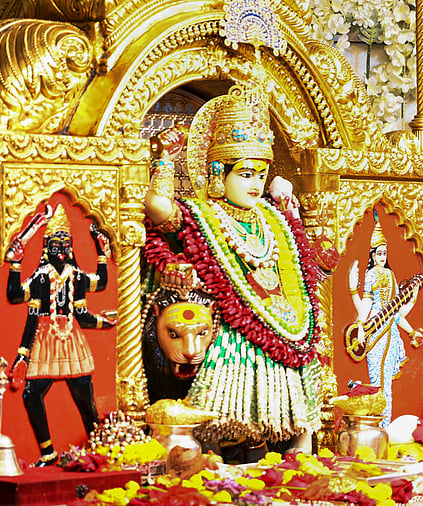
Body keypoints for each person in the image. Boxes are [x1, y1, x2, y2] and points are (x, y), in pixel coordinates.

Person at [143, 84, 323, 454]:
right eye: (244, 174)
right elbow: (157, 207)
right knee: (221, 429)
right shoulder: (203, 215)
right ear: (215, 174)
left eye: (260, 175)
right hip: (233, 331)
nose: (256, 184)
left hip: (287, 327)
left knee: (297, 426)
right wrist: (163, 158)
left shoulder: (273, 218)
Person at [5, 204, 117, 466]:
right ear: (47, 247)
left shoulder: (75, 275)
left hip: (71, 340)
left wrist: (104, 322)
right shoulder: (42, 276)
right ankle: (47, 452)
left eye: (66, 245)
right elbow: (16, 297)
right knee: (31, 394)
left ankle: (96, 448)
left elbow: (94, 293)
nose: (62, 250)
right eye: (56, 245)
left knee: (85, 399)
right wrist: (16, 264)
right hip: (45, 340)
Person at [346, 213, 423, 426]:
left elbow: (396, 314)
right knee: (377, 383)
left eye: (384, 253)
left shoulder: (391, 276)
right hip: (376, 335)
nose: (382, 256)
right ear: (372, 255)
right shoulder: (371, 274)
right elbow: (366, 307)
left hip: (391, 333)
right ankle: (377, 426)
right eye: (379, 253)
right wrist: (354, 292)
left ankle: (385, 427)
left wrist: (411, 331)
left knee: (387, 386)